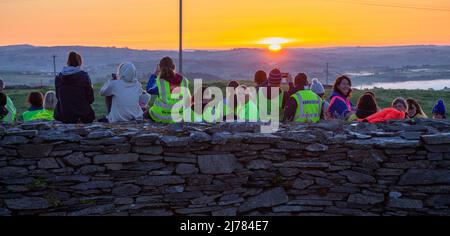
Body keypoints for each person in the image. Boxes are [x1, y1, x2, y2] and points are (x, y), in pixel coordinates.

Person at [54, 52, 95, 124]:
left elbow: (58, 97)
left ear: (68, 62)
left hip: (64, 115)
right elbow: (91, 99)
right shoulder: (84, 76)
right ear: (80, 63)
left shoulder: (58, 77)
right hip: (83, 115)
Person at [149, 57, 191, 123]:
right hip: (180, 116)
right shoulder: (184, 81)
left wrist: (155, 74)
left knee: (148, 111)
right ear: (174, 66)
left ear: (159, 68)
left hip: (161, 115)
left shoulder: (159, 81)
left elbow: (149, 89)